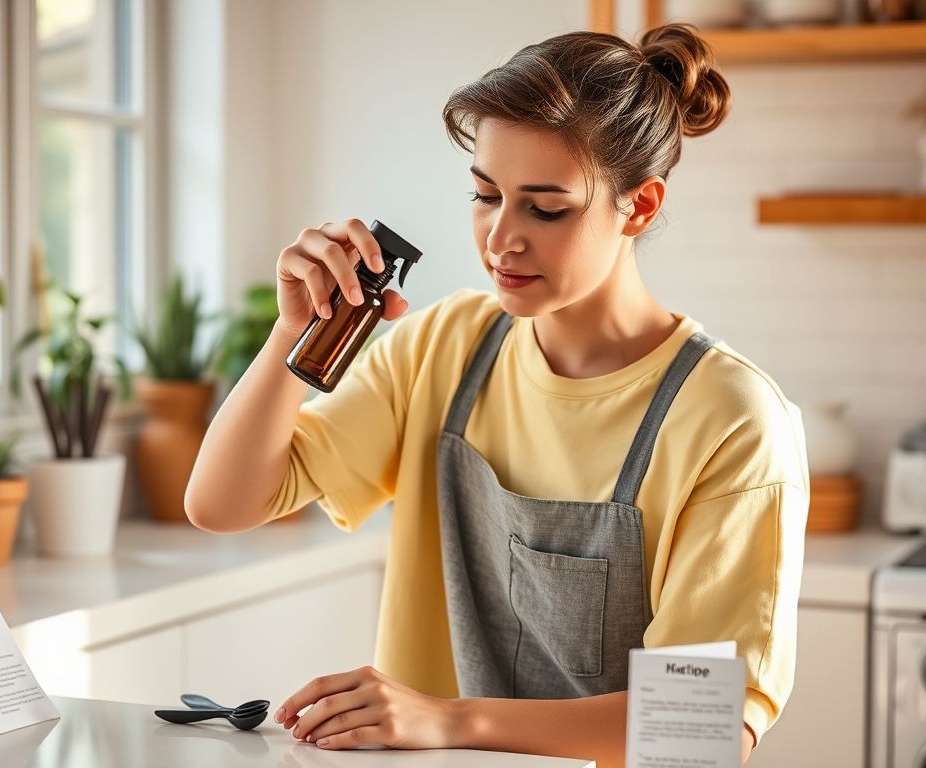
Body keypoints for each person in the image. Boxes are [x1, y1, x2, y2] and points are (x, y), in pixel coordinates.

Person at [186, 23, 808, 767]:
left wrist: (451, 722)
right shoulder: (444, 346)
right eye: (485, 195)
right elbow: (221, 505)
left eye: (545, 208)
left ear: (638, 206)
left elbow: (702, 726)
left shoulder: (732, 419)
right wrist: (293, 335)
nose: (500, 238)